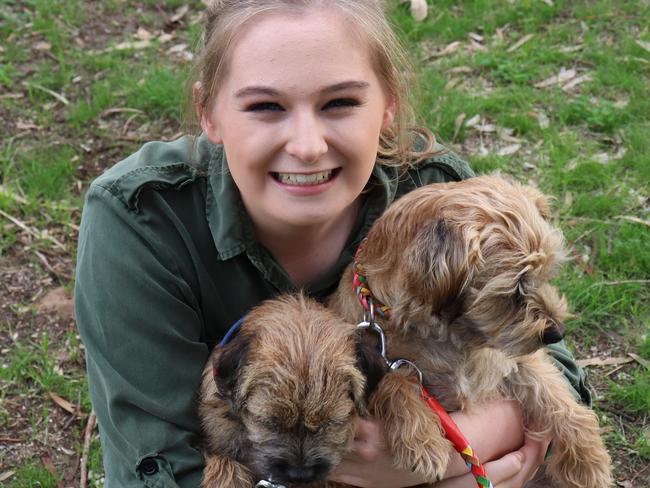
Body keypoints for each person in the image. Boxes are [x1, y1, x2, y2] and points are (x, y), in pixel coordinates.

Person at [74, 1, 592, 487]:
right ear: (208, 111)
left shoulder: (433, 202)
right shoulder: (142, 219)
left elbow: (543, 359)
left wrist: (468, 445)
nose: (307, 145)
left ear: (389, 104)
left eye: (340, 102)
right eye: (265, 105)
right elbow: (156, 464)